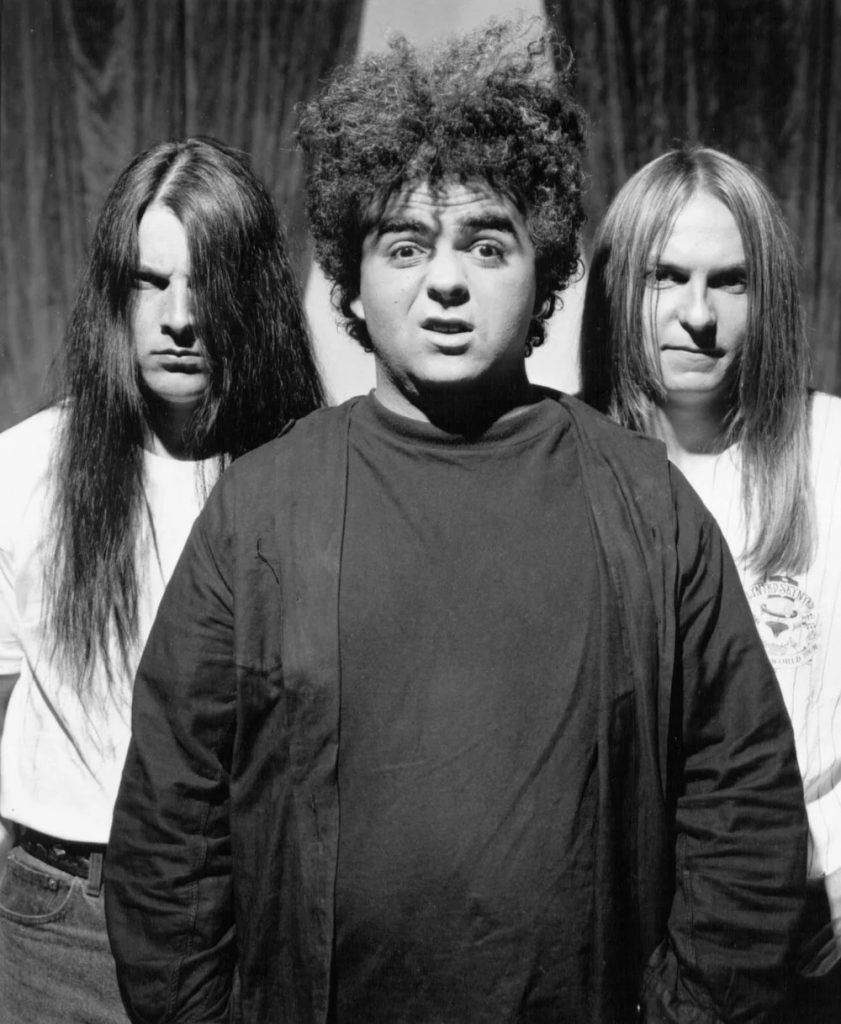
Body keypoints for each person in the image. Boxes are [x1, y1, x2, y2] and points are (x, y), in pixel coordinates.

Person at [105, 26, 807, 1024]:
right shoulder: (261, 510)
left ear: (543, 268)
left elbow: (745, 816)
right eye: (405, 245)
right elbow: (167, 836)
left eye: (485, 244)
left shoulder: (647, 505)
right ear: (351, 280)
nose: (445, 280)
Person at [0, 135, 323, 1023]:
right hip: (59, 920)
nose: (180, 317)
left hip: (243, 917)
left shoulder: (308, 477)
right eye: (151, 282)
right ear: (115, 291)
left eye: (206, 282)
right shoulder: (24, 468)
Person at [579, 145, 841, 1021]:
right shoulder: (563, 468)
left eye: (729, 281)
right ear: (617, 286)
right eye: (665, 277)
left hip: (809, 942)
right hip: (622, 945)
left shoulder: (829, 451)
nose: (697, 315)